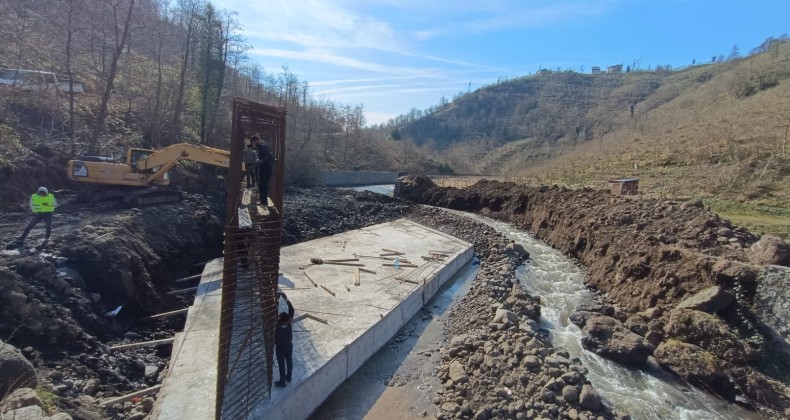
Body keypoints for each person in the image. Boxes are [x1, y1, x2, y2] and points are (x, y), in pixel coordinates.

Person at [274, 291, 294, 387]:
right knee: (289, 361)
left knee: (282, 365)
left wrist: (277, 299)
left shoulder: (277, 325)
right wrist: (285, 298)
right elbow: (291, 309)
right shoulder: (289, 323)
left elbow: (274, 310)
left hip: (280, 348)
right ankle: (289, 377)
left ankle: (282, 381)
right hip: (289, 346)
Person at [252, 135, 275, 206]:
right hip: (267, 167)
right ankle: (264, 201)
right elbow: (270, 154)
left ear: (256, 141)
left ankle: (264, 202)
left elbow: (267, 155)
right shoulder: (265, 144)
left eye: (253, 143)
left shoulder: (262, 146)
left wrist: (260, 160)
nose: (253, 144)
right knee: (263, 184)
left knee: (262, 184)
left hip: (265, 168)